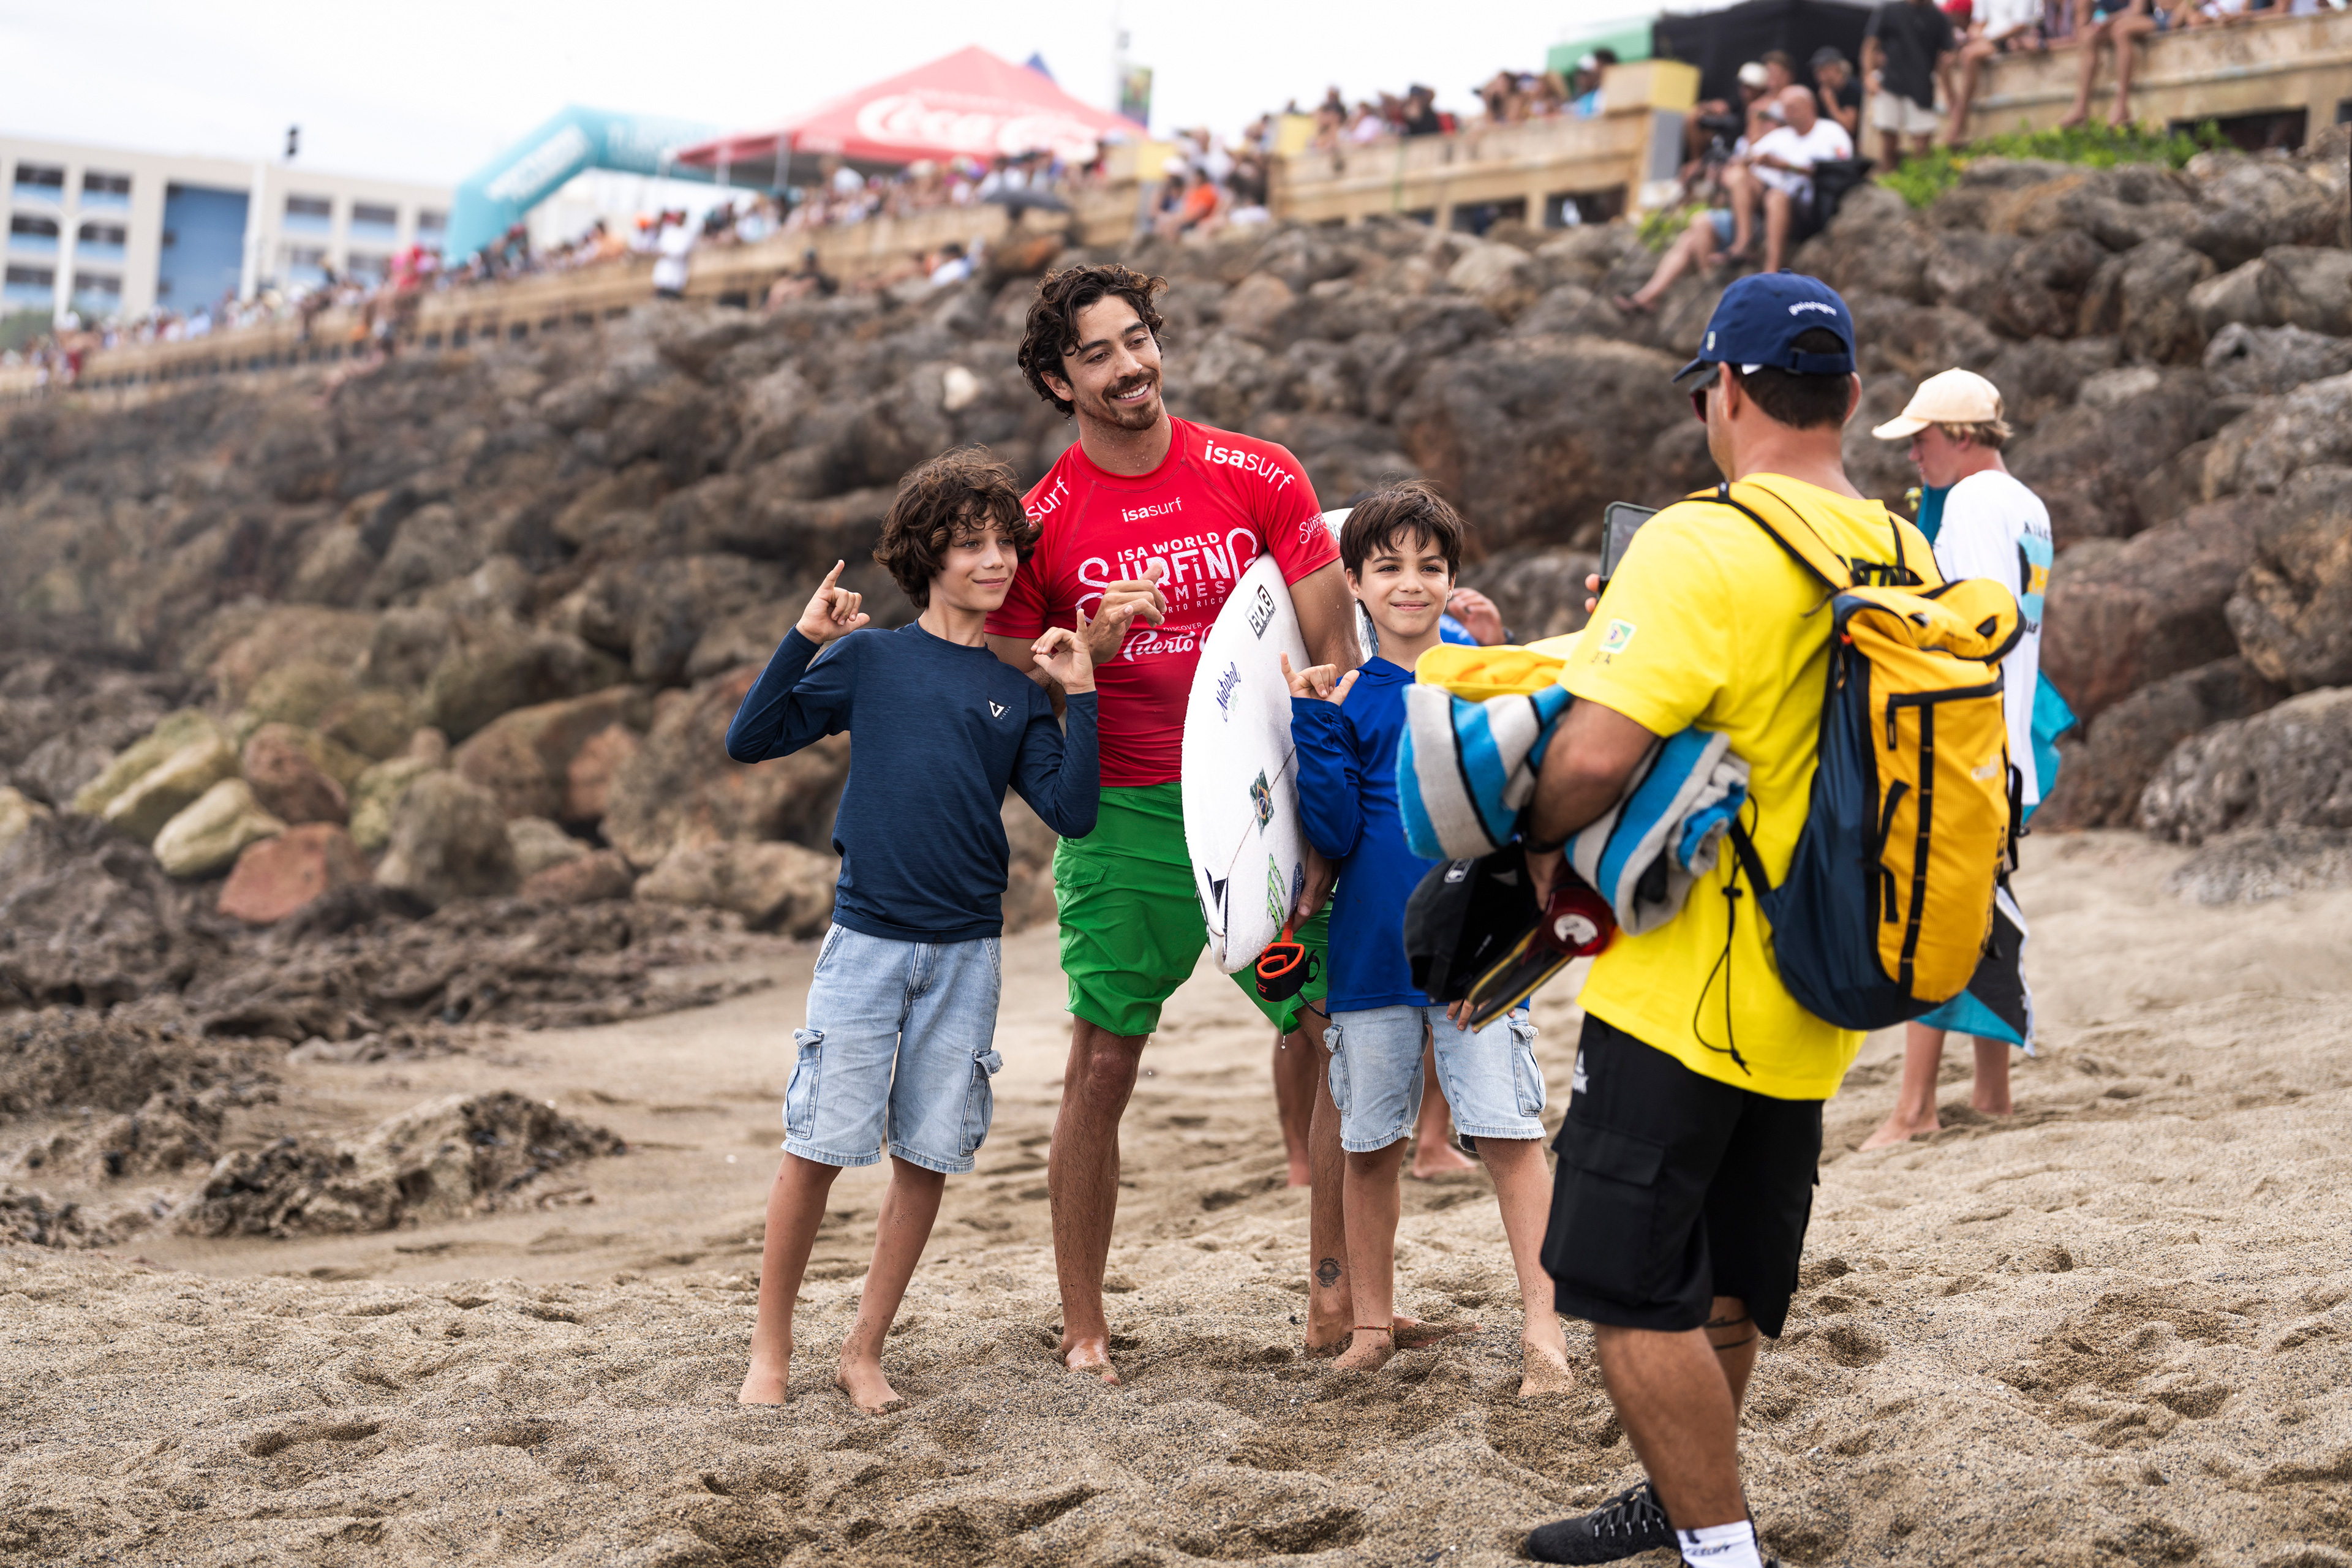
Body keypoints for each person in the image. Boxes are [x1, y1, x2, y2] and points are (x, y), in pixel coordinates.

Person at [1519, 273, 1938, 1567]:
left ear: (1729, 391)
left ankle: (1718, 1547)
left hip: (1687, 986)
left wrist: (1527, 837)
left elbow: (1592, 757)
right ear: (1855, 398)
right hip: (1821, 977)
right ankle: (1678, 1495)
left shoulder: (1700, 542)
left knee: (1626, 1286)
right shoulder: (1900, 548)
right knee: (1731, 1275)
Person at [986, 264, 1366, 1383]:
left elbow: (1329, 658)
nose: (1129, 367)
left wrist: (1324, 826)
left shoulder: (1257, 472)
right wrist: (1090, 649)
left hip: (1266, 815)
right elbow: (1014, 672)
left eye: (1137, 340)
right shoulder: (1044, 522)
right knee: (1103, 1066)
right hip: (1123, 825)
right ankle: (1084, 1327)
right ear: (1060, 380)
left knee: (1329, 1033)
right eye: (1097, 355)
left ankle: (1332, 1303)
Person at [729, 451, 1102, 1411]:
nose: (994, 561)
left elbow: (1071, 811)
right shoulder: (871, 659)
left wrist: (1083, 695)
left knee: (927, 1156)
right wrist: (803, 639)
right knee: (816, 1146)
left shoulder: (1018, 690)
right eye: (970, 543)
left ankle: (863, 1349)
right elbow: (752, 738)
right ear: (926, 554)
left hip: (968, 951)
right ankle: (769, 1355)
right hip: (868, 939)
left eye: (1005, 544)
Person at [1288, 483, 1575, 1396]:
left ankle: (1544, 1328)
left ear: (1453, 579)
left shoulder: (1487, 682)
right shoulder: (1351, 696)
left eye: (1430, 567)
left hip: (1479, 950)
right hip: (1372, 956)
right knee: (1370, 1145)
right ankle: (1371, 1323)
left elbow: (1531, 810)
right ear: (1356, 585)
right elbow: (1331, 832)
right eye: (1389, 568)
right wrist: (1311, 717)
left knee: (1507, 1133)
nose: (1411, 584)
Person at [1860, 369, 2051, 1150]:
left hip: (1969, 742)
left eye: (1922, 439)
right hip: (2009, 741)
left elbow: (1965, 628)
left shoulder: (1972, 503)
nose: (1913, 456)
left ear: (1964, 436)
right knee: (1983, 909)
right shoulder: (2027, 502)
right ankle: (1992, 1091)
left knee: (1932, 913)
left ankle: (1914, 1108)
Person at [1613, 86, 1848, 313]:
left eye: (1792, 107)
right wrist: (1741, 164)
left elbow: (1841, 171)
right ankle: (1656, 296)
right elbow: (1742, 160)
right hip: (1757, 214)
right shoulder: (1780, 136)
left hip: (1802, 209)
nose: (1787, 112)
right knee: (1699, 223)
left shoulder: (1830, 132)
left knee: (1776, 197)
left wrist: (1785, 166)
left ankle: (1770, 270)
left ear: (1810, 106)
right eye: (1784, 108)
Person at [1864, 0, 1958, 166]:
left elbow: (1946, 56)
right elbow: (1871, 44)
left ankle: (1918, 185)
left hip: (1921, 88)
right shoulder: (1889, 10)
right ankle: (1889, 185)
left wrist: (1950, 92)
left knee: (1922, 148)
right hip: (1890, 85)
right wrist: (1869, 75)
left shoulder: (1939, 17)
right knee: (1888, 147)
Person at [1945, 0, 2048, 145]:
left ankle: (1959, 118)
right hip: (1988, 40)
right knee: (1946, 59)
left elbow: (2020, 26)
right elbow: (1978, 23)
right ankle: (1955, 111)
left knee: (1969, 55)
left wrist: (1987, 38)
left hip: (2011, 39)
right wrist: (1972, 37)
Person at [2057, 0, 2162, 129]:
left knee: (2120, 30)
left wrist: (2109, 20)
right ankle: (2081, 106)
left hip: (2142, 20)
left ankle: (2122, 104)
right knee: (2087, 35)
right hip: (2115, 23)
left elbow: (2136, 11)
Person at [1810, 47, 1864, 138]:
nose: (1820, 76)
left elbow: (1850, 127)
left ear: (1837, 68)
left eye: (1824, 70)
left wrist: (1831, 103)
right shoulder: (1823, 91)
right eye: (1817, 71)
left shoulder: (1852, 88)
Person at [651, 210, 693, 301]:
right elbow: (659, 245)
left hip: (677, 267)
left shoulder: (687, 233)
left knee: (673, 292)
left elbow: (682, 250)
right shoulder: (668, 231)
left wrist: (668, 253)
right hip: (664, 265)